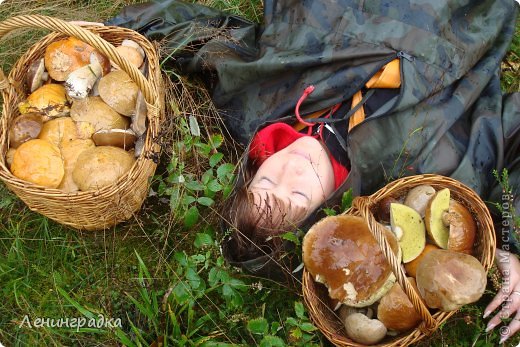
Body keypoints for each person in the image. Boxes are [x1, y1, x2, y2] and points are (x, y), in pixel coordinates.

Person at [107, 0, 520, 342]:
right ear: (328, 214)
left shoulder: (252, 98)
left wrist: (112, 33)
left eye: (267, 181)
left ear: (252, 169)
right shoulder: (422, 170)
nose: (290, 170)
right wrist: (511, 240)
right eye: (299, 197)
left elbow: (202, 34)